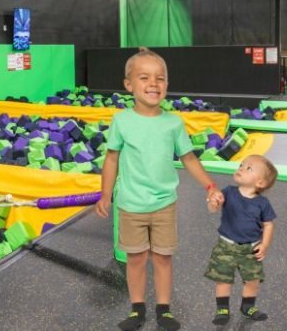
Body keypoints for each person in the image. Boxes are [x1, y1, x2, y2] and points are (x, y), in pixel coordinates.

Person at [95, 47, 225, 331]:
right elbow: (112, 158)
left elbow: (189, 158)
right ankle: (137, 309)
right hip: (130, 203)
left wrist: (210, 185)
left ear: (167, 84)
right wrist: (105, 195)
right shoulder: (121, 120)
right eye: (144, 77)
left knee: (163, 258)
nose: (153, 83)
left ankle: (163, 310)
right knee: (136, 258)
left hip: (165, 202)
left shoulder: (173, 123)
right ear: (129, 85)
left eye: (160, 78)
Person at [204, 155, 278, 325]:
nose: (241, 168)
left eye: (249, 168)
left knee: (252, 280)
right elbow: (213, 209)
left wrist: (265, 244)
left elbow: (268, 225)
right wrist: (213, 203)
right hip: (226, 246)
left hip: (251, 248)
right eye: (241, 165)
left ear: (260, 183)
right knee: (223, 278)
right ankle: (222, 309)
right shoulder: (228, 192)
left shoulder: (263, 203)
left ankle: (247, 307)